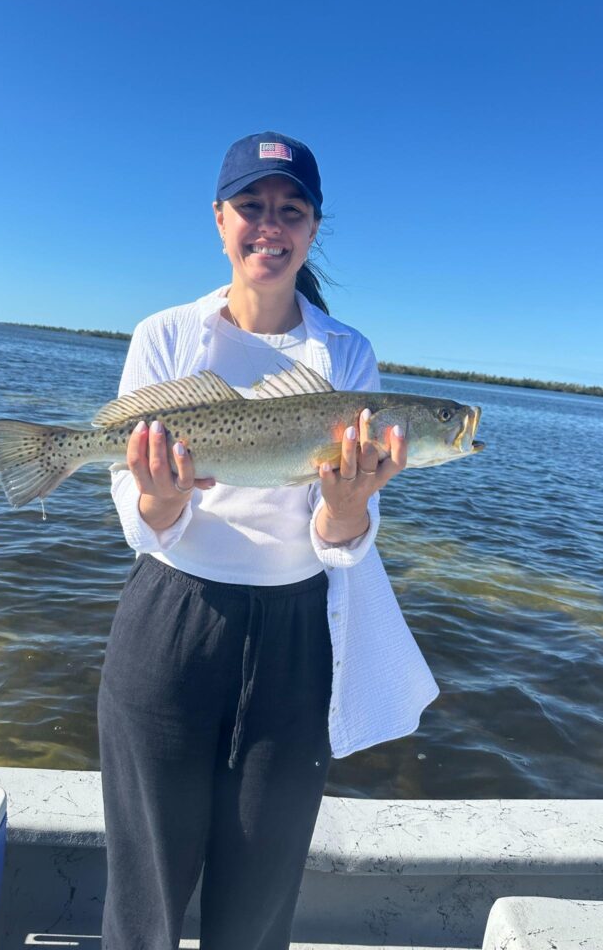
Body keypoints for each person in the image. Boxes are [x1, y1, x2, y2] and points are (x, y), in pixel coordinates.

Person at [97, 131, 439, 950]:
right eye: (251, 206)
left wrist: (349, 506)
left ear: (314, 228)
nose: (269, 226)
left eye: (290, 210)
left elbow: (343, 537)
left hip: (296, 634)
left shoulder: (345, 353)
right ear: (219, 219)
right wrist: (155, 493)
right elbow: (140, 520)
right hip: (170, 620)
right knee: (144, 896)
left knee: (258, 901)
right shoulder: (165, 335)